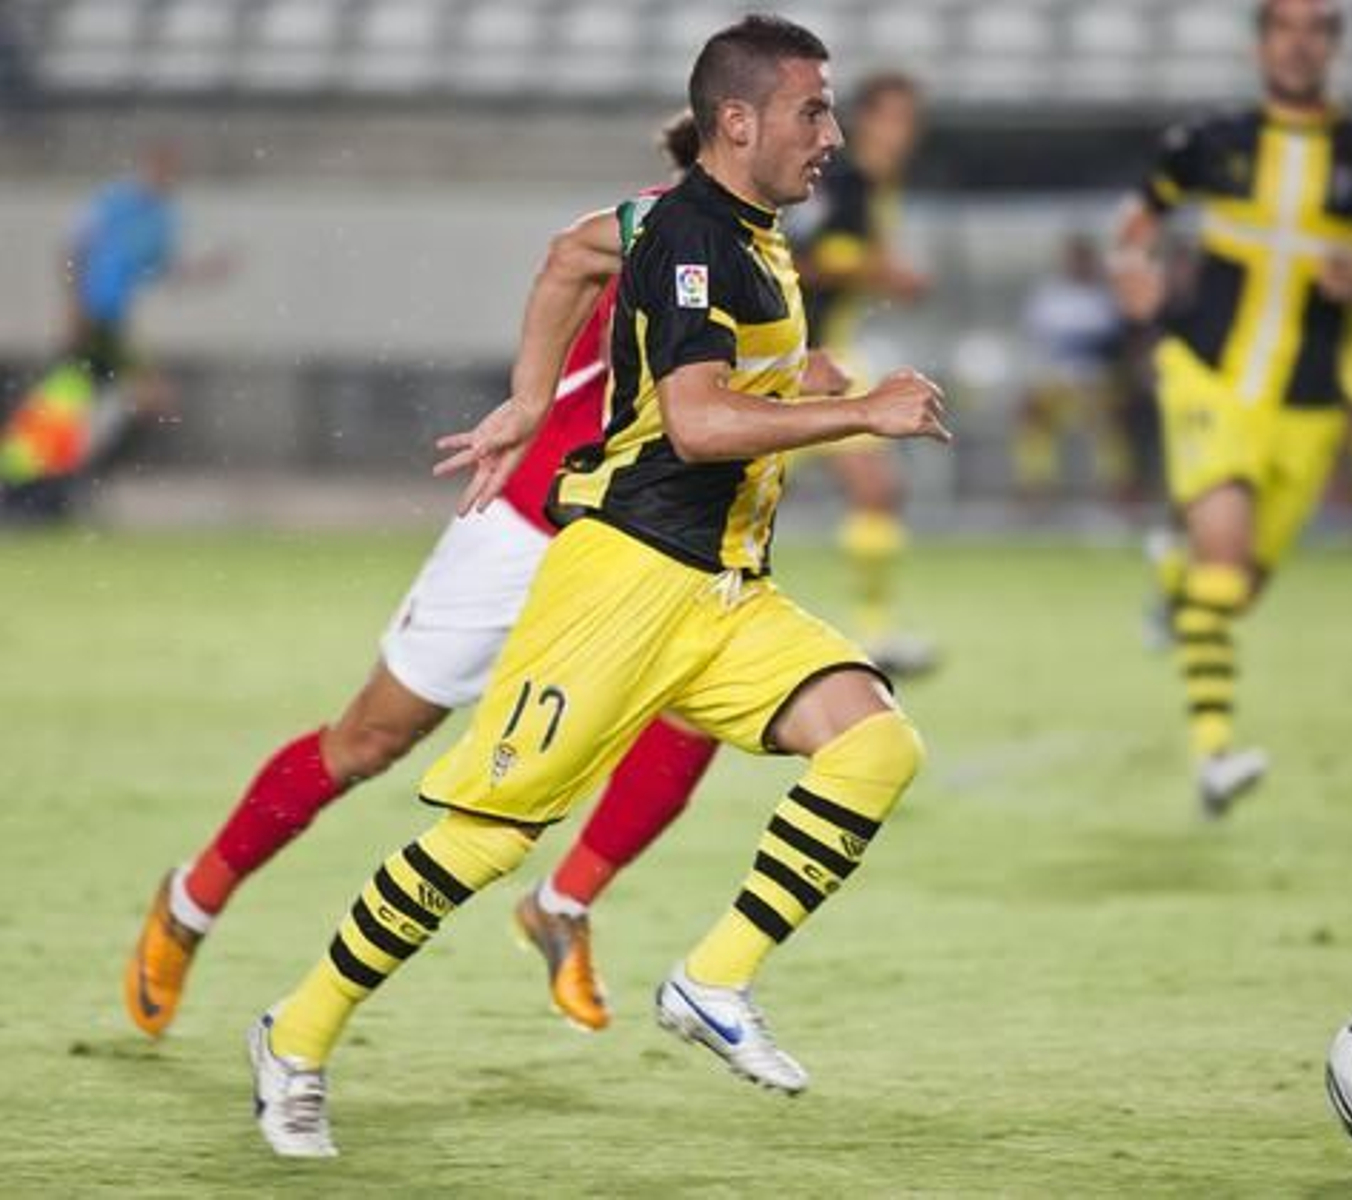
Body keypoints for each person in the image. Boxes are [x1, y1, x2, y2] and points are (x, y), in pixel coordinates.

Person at [248, 15, 949, 1158]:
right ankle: (294, 1034)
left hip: (724, 593)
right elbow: (699, 423)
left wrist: (532, 399)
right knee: (483, 844)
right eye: (813, 110)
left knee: (874, 743)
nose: (832, 133)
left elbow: (571, 254)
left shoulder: (727, 228)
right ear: (738, 121)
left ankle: (712, 982)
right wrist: (861, 411)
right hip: (622, 582)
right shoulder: (693, 239)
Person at [124, 116, 722, 1042]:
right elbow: (577, 265)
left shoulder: (762, 258)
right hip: (526, 526)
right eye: (810, 117)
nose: (822, 144)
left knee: (703, 698)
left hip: (632, 545)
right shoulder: (661, 228)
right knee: (368, 741)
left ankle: (562, 902)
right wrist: (529, 400)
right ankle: (191, 900)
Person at [1109, 0, 1352, 816]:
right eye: (1285, 27)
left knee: (1235, 590)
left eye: (1316, 28)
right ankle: (1215, 755)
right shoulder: (1209, 139)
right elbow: (1141, 215)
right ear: (1261, 44)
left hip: (1312, 400)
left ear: (1333, 45)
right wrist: (1132, 267)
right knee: (1223, 560)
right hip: (1208, 375)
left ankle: (1173, 576)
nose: (1299, 44)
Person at [788, 72, 935, 676]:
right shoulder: (839, 180)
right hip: (788, 360)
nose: (902, 132)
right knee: (728, 501)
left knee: (876, 488)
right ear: (865, 119)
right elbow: (797, 259)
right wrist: (880, 273)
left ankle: (876, 633)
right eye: (891, 117)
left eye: (910, 119)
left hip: (832, 353)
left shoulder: (872, 186)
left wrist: (876, 271)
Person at [1, 141, 225, 518]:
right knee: (75, 404)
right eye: (160, 170)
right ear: (146, 168)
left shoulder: (162, 219)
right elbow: (72, 250)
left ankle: (55, 489)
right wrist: (73, 307)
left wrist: (206, 271)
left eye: (172, 173)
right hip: (92, 319)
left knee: (82, 405)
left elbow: (164, 270)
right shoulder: (115, 203)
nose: (166, 179)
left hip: (113, 323)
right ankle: (38, 488)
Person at [1013, 233, 1126, 504]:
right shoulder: (1048, 297)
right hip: (1055, 383)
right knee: (1030, 412)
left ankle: (1117, 486)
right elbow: (1036, 348)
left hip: (1098, 383)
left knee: (1111, 415)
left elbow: (1115, 349)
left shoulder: (1106, 297)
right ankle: (1037, 487)